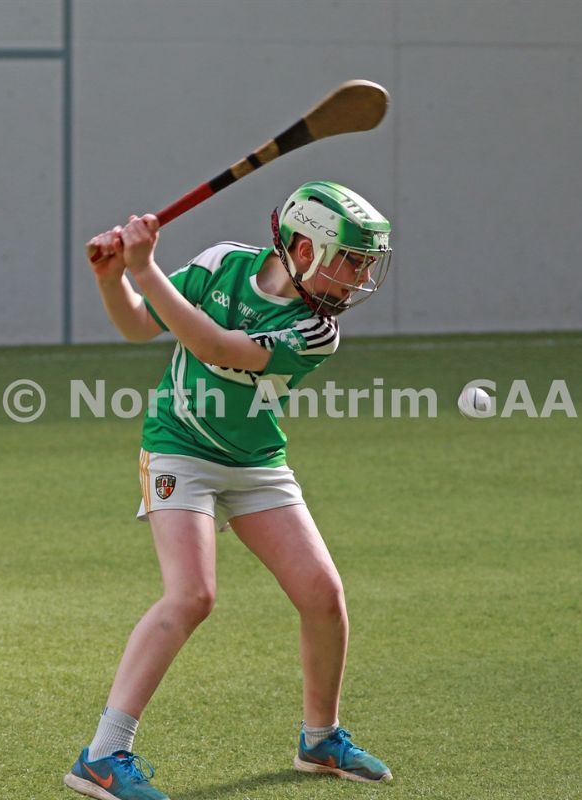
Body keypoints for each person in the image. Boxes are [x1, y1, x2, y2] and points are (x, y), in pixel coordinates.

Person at [65, 181, 394, 800]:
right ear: (305, 249)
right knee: (191, 595)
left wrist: (145, 267)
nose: (360, 279)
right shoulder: (222, 265)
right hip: (179, 448)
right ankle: (102, 756)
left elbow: (214, 346)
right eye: (352, 261)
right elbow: (139, 325)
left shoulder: (317, 330)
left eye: (366, 264)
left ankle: (320, 739)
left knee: (322, 593)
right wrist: (114, 279)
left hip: (255, 462)